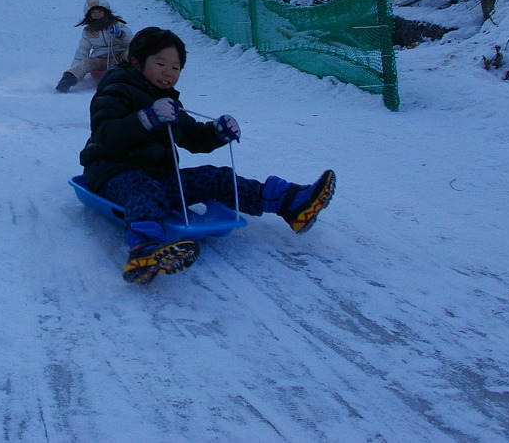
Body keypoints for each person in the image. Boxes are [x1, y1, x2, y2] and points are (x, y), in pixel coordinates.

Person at [79, 26, 336, 284]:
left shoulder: (168, 102)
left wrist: (217, 133)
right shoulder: (117, 89)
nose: (169, 72)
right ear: (136, 62)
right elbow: (105, 136)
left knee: (215, 177)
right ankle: (144, 250)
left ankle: (291, 202)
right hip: (113, 174)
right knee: (142, 188)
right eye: (161, 64)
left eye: (176, 67)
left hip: (159, 178)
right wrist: (146, 119)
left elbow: (192, 136)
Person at [56, 0, 134, 93]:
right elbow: (82, 50)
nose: (97, 14)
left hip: (119, 57)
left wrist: (120, 35)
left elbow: (132, 42)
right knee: (87, 62)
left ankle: (135, 73)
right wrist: (76, 69)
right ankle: (67, 79)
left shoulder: (117, 24)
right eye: (93, 12)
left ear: (106, 11)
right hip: (101, 59)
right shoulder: (88, 31)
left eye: (99, 11)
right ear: (89, 14)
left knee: (130, 52)